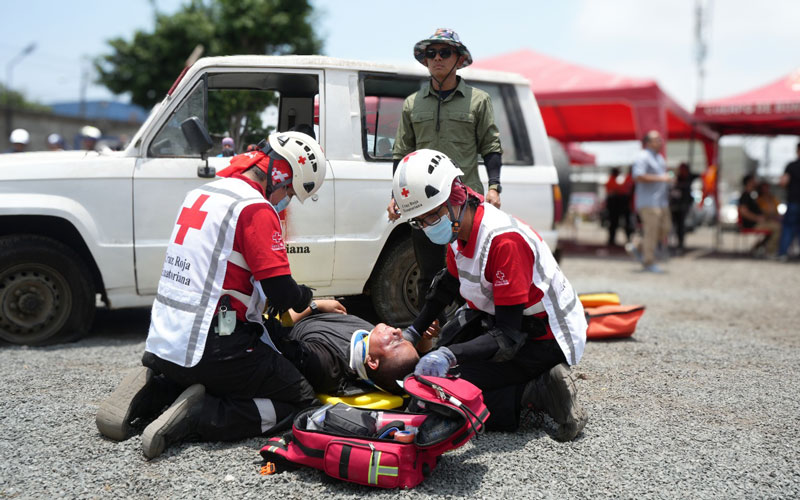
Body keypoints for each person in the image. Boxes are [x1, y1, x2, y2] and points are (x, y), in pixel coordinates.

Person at [96, 131, 330, 459]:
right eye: (290, 189)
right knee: (299, 398)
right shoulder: (255, 209)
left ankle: (160, 390)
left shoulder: (201, 194)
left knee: (232, 365)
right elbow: (280, 289)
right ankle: (199, 415)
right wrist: (306, 298)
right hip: (213, 346)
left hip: (164, 341)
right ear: (281, 174)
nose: (286, 198)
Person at [393, 149, 588, 441]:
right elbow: (447, 285)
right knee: (442, 370)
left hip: (543, 337)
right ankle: (526, 385)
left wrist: (449, 355)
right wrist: (413, 331)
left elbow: (507, 335)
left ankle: (538, 388)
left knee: (453, 389)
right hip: (507, 322)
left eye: (431, 216)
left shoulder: (503, 242)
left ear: (455, 197)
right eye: (419, 221)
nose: (428, 226)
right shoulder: (460, 226)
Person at [388, 28, 503, 313]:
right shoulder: (412, 104)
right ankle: (433, 336)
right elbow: (401, 153)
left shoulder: (478, 100)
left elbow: (491, 146)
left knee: (471, 274)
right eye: (431, 53)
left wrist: (494, 187)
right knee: (429, 274)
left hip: (465, 203)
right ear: (425, 60)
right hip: (423, 204)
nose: (437, 58)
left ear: (459, 59)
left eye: (444, 52)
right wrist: (394, 196)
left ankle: (470, 336)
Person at [274, 311, 438, 395]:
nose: (397, 331)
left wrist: (314, 306)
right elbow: (408, 360)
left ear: (372, 362)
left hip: (288, 315)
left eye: (395, 341)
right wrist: (425, 338)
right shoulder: (373, 344)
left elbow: (277, 335)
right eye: (403, 339)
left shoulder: (327, 364)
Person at [626, 130, 671, 273]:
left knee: (665, 228)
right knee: (651, 232)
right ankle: (648, 262)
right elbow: (637, 176)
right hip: (648, 202)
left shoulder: (660, 158)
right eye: (657, 139)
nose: (660, 141)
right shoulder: (643, 157)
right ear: (648, 142)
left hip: (661, 202)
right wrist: (661, 178)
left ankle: (638, 245)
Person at [739, 174, 780, 256]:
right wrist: (757, 218)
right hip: (752, 224)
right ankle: (770, 251)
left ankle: (756, 248)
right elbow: (743, 211)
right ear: (749, 182)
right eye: (754, 180)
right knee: (778, 228)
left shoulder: (752, 195)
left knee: (774, 228)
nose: (756, 182)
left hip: (757, 222)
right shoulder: (745, 195)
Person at [778, 142, 800, 260]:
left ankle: (783, 253)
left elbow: (783, 182)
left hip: (793, 202)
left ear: (797, 151)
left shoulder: (791, 166)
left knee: (788, 227)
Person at [669, 162, 695, 254]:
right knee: (673, 226)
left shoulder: (689, 177)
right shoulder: (677, 178)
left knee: (680, 226)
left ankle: (680, 244)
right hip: (674, 206)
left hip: (683, 206)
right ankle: (673, 245)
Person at [605, 167, 633, 246]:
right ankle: (612, 240)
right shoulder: (611, 180)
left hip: (622, 204)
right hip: (615, 205)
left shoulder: (627, 179)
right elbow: (614, 189)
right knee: (614, 223)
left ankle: (628, 239)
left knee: (626, 223)